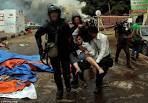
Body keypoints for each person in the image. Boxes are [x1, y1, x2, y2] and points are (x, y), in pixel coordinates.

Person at [35, 4, 74, 99]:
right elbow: (37, 35)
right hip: (53, 52)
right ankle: (60, 90)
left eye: (55, 13)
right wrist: (40, 49)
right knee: (56, 72)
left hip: (65, 51)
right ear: (49, 14)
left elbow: (70, 37)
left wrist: (72, 49)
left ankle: (68, 85)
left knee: (66, 71)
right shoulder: (47, 25)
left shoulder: (64, 24)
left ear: (58, 14)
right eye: (52, 13)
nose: (54, 14)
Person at [88, 26, 112, 94]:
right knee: (99, 73)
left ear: (95, 32)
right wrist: (91, 55)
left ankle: (99, 82)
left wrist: (96, 61)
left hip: (106, 56)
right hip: (99, 56)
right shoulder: (92, 38)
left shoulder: (103, 37)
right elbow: (94, 49)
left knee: (103, 72)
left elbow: (103, 50)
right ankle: (98, 87)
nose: (90, 35)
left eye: (91, 33)